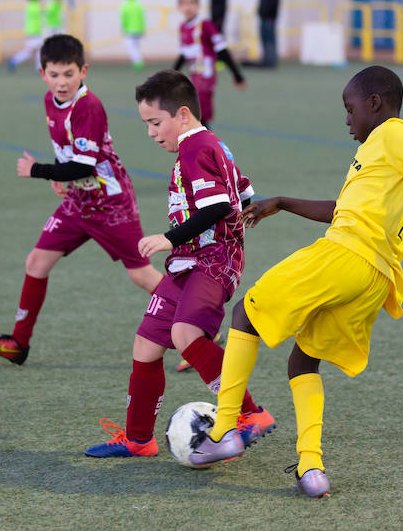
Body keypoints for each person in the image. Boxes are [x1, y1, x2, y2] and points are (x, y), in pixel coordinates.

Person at [188, 66, 403, 498]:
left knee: (244, 312)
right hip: (372, 280)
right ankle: (311, 468)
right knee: (302, 361)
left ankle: (222, 432)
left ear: (375, 104)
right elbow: (342, 209)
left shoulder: (395, 134)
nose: (347, 120)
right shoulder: (374, 155)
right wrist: (284, 203)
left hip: (345, 256)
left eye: (350, 110)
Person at [83, 69, 274, 458]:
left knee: (185, 335)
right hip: (187, 262)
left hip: (212, 261)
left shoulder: (195, 148)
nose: (152, 133)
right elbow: (244, 191)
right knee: (146, 344)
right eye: (146, 124)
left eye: (156, 122)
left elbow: (219, 204)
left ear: (182, 115)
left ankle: (251, 414)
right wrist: (247, 212)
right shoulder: (212, 145)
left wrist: (167, 237)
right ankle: (138, 440)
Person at [0, 35, 163, 366]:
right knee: (36, 262)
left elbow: (84, 164)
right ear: (43, 74)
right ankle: (19, 343)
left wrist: (41, 171)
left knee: (141, 275)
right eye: (55, 74)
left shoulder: (88, 106)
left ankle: (201, 329)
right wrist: (62, 181)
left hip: (110, 205)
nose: (62, 82)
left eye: (69, 74)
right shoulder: (50, 101)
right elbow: (70, 154)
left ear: (83, 71)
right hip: (78, 201)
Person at [173, 0, 245, 127]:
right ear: (179, 6)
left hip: (205, 80)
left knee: (199, 118)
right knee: (193, 118)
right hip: (193, 79)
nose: (188, 7)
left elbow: (222, 50)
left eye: (191, 3)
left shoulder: (205, 25)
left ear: (198, 5)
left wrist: (237, 75)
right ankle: (202, 147)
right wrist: (171, 75)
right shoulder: (183, 27)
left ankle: (208, 147)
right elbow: (183, 54)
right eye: (184, 3)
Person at [7, 0, 43, 73]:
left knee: (37, 50)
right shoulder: (35, 5)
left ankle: (39, 68)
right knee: (30, 51)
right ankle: (14, 60)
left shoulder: (30, 5)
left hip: (32, 31)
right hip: (34, 31)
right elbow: (44, 14)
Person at [120, 0, 145, 70]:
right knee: (136, 47)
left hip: (130, 29)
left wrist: (123, 28)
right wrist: (142, 28)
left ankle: (138, 62)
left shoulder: (126, 5)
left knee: (131, 47)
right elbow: (142, 18)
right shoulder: (138, 4)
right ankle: (138, 61)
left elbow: (124, 18)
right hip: (138, 29)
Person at [257, 0, 280, 68]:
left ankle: (270, 61)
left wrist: (271, 16)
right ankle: (267, 59)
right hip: (264, 17)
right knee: (266, 39)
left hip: (268, 18)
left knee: (269, 40)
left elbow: (273, 2)